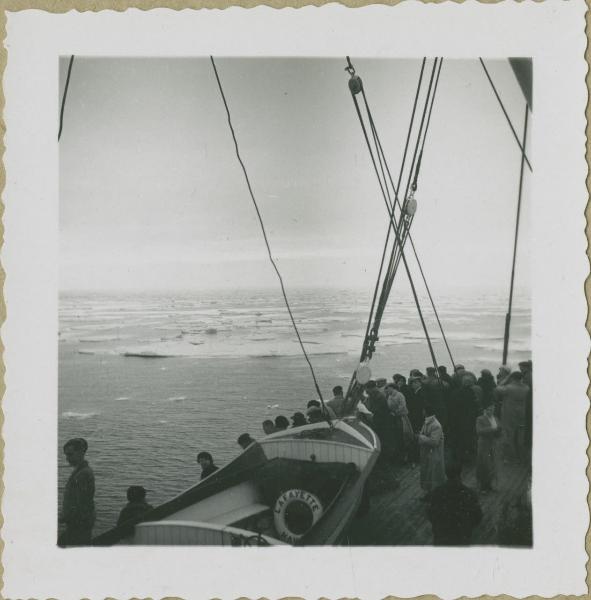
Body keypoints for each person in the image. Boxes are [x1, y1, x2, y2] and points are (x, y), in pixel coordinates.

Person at [426, 462, 483, 545]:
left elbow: (430, 514)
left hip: (442, 539)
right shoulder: (469, 494)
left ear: (446, 474)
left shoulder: (437, 492)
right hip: (462, 539)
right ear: (460, 474)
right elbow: (478, 516)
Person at [58, 437, 95, 546]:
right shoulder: (82, 471)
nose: (67, 458)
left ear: (81, 453)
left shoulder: (82, 474)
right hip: (80, 523)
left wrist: (65, 517)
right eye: (66, 455)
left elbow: (81, 503)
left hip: (79, 524)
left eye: (70, 454)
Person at [495, 371, 529, 463]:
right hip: (522, 414)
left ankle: (510, 457)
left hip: (509, 414)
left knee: (508, 435)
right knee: (520, 437)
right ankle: (521, 457)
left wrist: (506, 378)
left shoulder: (508, 388)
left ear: (512, 378)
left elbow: (497, 388)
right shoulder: (526, 388)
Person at [448, 374, 480, 466]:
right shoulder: (471, 393)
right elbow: (474, 407)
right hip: (467, 421)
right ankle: (465, 457)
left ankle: (456, 457)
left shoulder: (454, 392)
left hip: (455, 420)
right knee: (466, 439)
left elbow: (451, 407)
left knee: (457, 439)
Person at [418, 403, 446, 497]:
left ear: (426, 411)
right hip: (428, 453)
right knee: (428, 474)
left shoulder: (435, 425)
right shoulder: (428, 422)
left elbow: (434, 442)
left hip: (434, 454)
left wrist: (421, 437)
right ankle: (430, 493)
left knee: (433, 475)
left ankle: (434, 495)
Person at [476, 403, 502, 493]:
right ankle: (483, 486)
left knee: (493, 465)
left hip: (493, 445)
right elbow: (479, 431)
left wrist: (499, 431)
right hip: (484, 445)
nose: (490, 412)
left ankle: (490, 485)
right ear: (485, 410)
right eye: (489, 410)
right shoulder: (480, 419)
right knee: (484, 465)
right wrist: (492, 429)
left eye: (492, 410)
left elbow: (499, 430)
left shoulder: (496, 419)